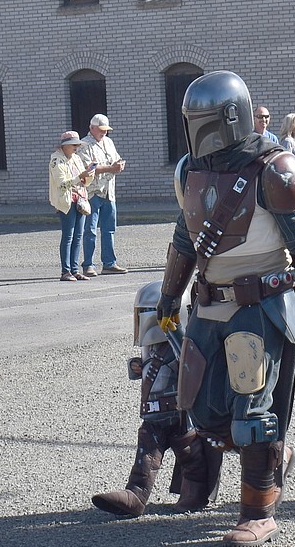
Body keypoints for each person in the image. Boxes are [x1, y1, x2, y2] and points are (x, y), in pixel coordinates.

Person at [156, 70, 295, 547]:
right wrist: (168, 295)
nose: (197, 132)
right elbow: (186, 235)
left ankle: (258, 509)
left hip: (261, 302)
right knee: (201, 406)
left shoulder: (278, 169)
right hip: (209, 299)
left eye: (204, 121)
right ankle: (272, 459)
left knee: (253, 412)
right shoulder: (188, 168)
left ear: (228, 117)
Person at [92, 281, 222, 517]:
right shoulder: (151, 348)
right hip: (154, 412)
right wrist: (138, 366)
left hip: (180, 411)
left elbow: (192, 367)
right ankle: (136, 494)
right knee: (147, 450)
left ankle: (194, 493)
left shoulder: (184, 344)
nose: (144, 319)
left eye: (147, 313)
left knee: (189, 453)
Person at [78, 113, 127, 276]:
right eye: (101, 130)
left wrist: (119, 165)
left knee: (109, 229)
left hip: (109, 191)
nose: (104, 133)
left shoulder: (109, 142)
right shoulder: (84, 145)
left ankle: (109, 263)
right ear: (92, 128)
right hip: (93, 192)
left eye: (106, 130)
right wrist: (111, 168)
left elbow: (116, 159)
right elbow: (88, 168)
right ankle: (88, 265)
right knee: (90, 230)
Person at [49, 130, 94, 282]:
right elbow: (62, 184)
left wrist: (89, 173)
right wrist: (80, 177)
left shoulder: (76, 158)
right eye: (73, 145)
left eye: (77, 145)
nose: (76, 148)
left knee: (78, 236)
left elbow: (83, 180)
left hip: (80, 199)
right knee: (68, 236)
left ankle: (75, 270)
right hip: (66, 201)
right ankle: (65, 271)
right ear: (64, 146)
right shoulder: (56, 160)